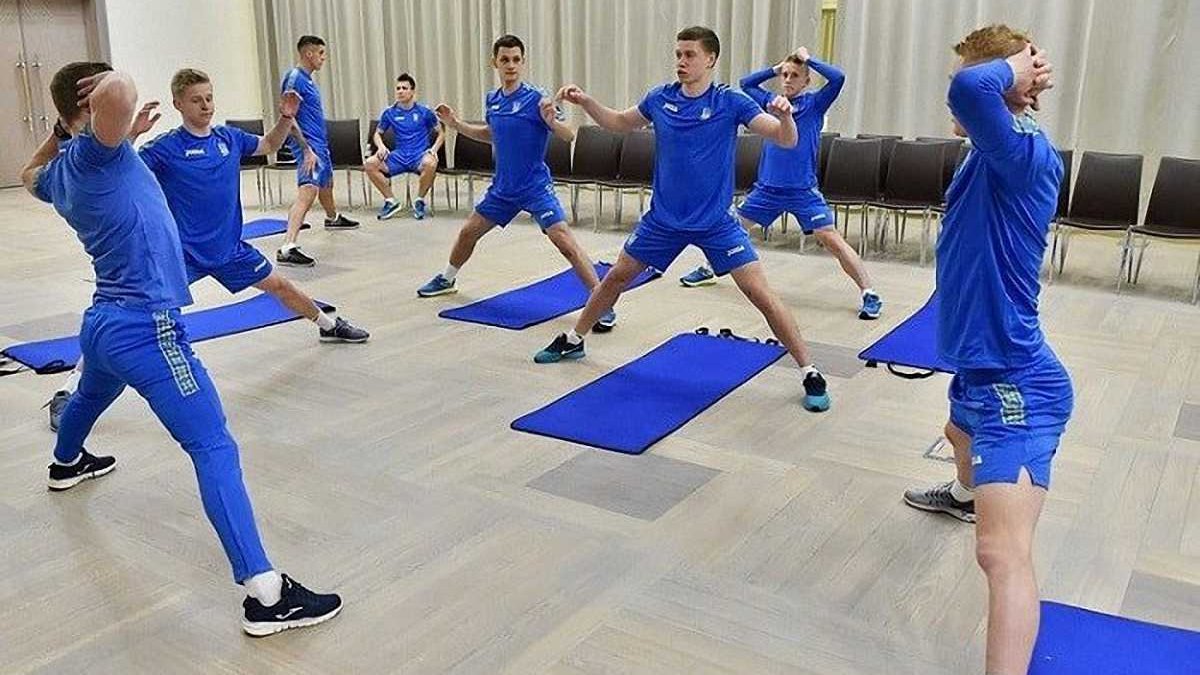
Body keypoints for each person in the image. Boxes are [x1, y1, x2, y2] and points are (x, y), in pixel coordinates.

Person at [23, 61, 342, 636]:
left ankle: (66, 463)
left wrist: (66, 128)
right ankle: (267, 595)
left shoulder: (61, 172)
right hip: (148, 329)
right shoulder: (98, 154)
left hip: (103, 324)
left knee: (90, 397)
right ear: (91, 109)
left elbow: (27, 173)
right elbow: (119, 92)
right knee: (213, 444)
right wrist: (109, 92)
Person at [44, 68, 370, 432]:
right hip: (181, 256)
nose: (205, 106)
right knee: (124, 318)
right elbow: (119, 164)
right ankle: (67, 391)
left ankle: (328, 325)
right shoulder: (165, 148)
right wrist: (132, 133)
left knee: (282, 286)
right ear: (178, 104)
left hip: (229, 250)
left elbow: (268, 145)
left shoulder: (229, 139)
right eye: (196, 100)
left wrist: (285, 118)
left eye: (209, 98)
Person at [533, 26, 831, 413]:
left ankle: (809, 370)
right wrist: (586, 101)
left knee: (760, 293)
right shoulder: (660, 98)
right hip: (664, 221)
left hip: (716, 222)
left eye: (689, 55)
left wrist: (786, 116)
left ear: (710, 59)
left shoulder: (730, 101)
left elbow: (785, 138)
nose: (681, 61)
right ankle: (574, 340)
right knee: (617, 277)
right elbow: (619, 122)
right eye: (678, 54)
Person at [900, 26, 1065, 675]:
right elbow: (971, 93)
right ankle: (965, 493)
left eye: (977, 75)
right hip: (980, 371)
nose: (955, 93)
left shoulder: (1022, 153)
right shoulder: (990, 152)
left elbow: (971, 90)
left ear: (1010, 84)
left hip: (1017, 383)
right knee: (955, 430)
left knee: (1001, 553)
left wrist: (1013, 68)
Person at [415, 34, 616, 332]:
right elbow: (492, 134)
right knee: (468, 232)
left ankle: (601, 302)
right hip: (503, 189)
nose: (511, 65)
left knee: (565, 243)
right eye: (505, 60)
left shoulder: (538, 99)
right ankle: (447, 278)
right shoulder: (493, 100)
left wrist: (552, 122)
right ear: (494, 63)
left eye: (516, 60)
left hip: (535, 187)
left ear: (523, 63)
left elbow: (568, 135)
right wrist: (456, 124)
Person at [678, 47, 883, 320]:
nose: (787, 79)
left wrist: (809, 60)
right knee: (729, 229)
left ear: (806, 81)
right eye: (784, 75)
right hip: (767, 190)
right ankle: (708, 268)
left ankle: (869, 292)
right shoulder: (771, 103)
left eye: (794, 75)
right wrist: (775, 69)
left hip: (802, 191)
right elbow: (746, 84)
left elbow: (838, 78)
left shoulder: (815, 104)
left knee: (831, 239)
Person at [277, 35, 359, 268]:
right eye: (321, 53)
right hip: (308, 145)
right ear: (309, 53)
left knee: (326, 183)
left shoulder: (308, 80)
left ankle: (332, 218)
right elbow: (288, 117)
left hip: (319, 143)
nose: (324, 58)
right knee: (308, 190)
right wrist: (306, 150)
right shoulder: (295, 79)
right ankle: (287, 247)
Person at [366, 73, 444, 220]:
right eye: (398, 88)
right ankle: (391, 201)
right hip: (399, 156)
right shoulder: (389, 112)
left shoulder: (425, 112)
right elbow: (377, 134)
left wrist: (434, 150)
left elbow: (441, 133)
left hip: (419, 156)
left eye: (404, 88)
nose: (400, 91)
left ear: (412, 91)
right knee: (370, 163)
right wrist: (381, 146)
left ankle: (419, 200)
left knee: (431, 163)